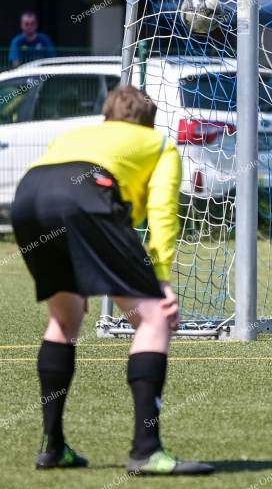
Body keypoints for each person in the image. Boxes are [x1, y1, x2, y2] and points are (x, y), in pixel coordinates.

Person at [11, 87, 214, 475]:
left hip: (28, 198)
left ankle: (53, 447)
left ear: (106, 117)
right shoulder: (159, 145)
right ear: (149, 123)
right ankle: (146, 451)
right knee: (154, 319)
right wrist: (161, 281)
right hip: (86, 197)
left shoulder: (73, 136)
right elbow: (162, 214)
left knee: (64, 321)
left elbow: (57, 188)